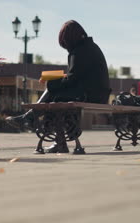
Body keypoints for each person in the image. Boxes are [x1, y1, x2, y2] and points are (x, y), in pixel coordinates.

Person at [6, 20, 111, 152]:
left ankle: (32, 119)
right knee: (55, 92)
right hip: (96, 93)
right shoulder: (89, 47)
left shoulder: (80, 51)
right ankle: (31, 119)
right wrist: (54, 81)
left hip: (90, 94)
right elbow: (77, 76)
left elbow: (72, 78)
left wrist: (52, 82)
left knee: (55, 95)